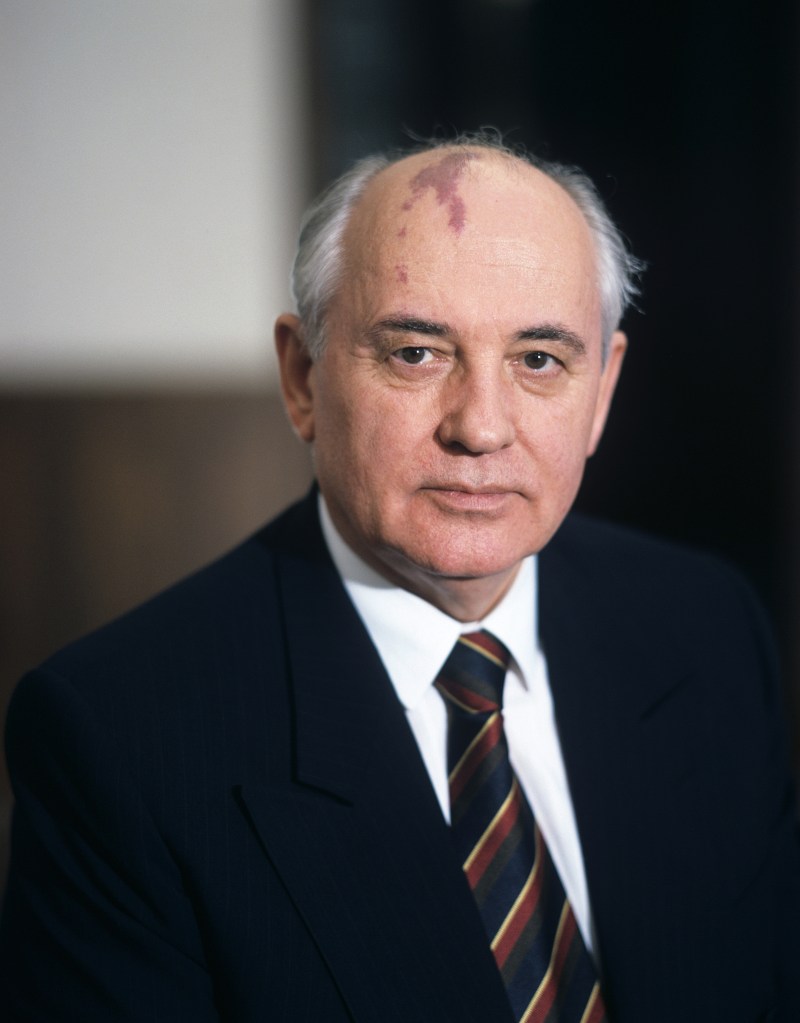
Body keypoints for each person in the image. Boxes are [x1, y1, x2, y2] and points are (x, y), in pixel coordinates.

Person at [1, 135, 798, 1022]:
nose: (480, 427)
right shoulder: (120, 738)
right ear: (303, 378)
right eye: (418, 352)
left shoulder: (706, 628)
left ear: (602, 391)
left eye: (539, 359)